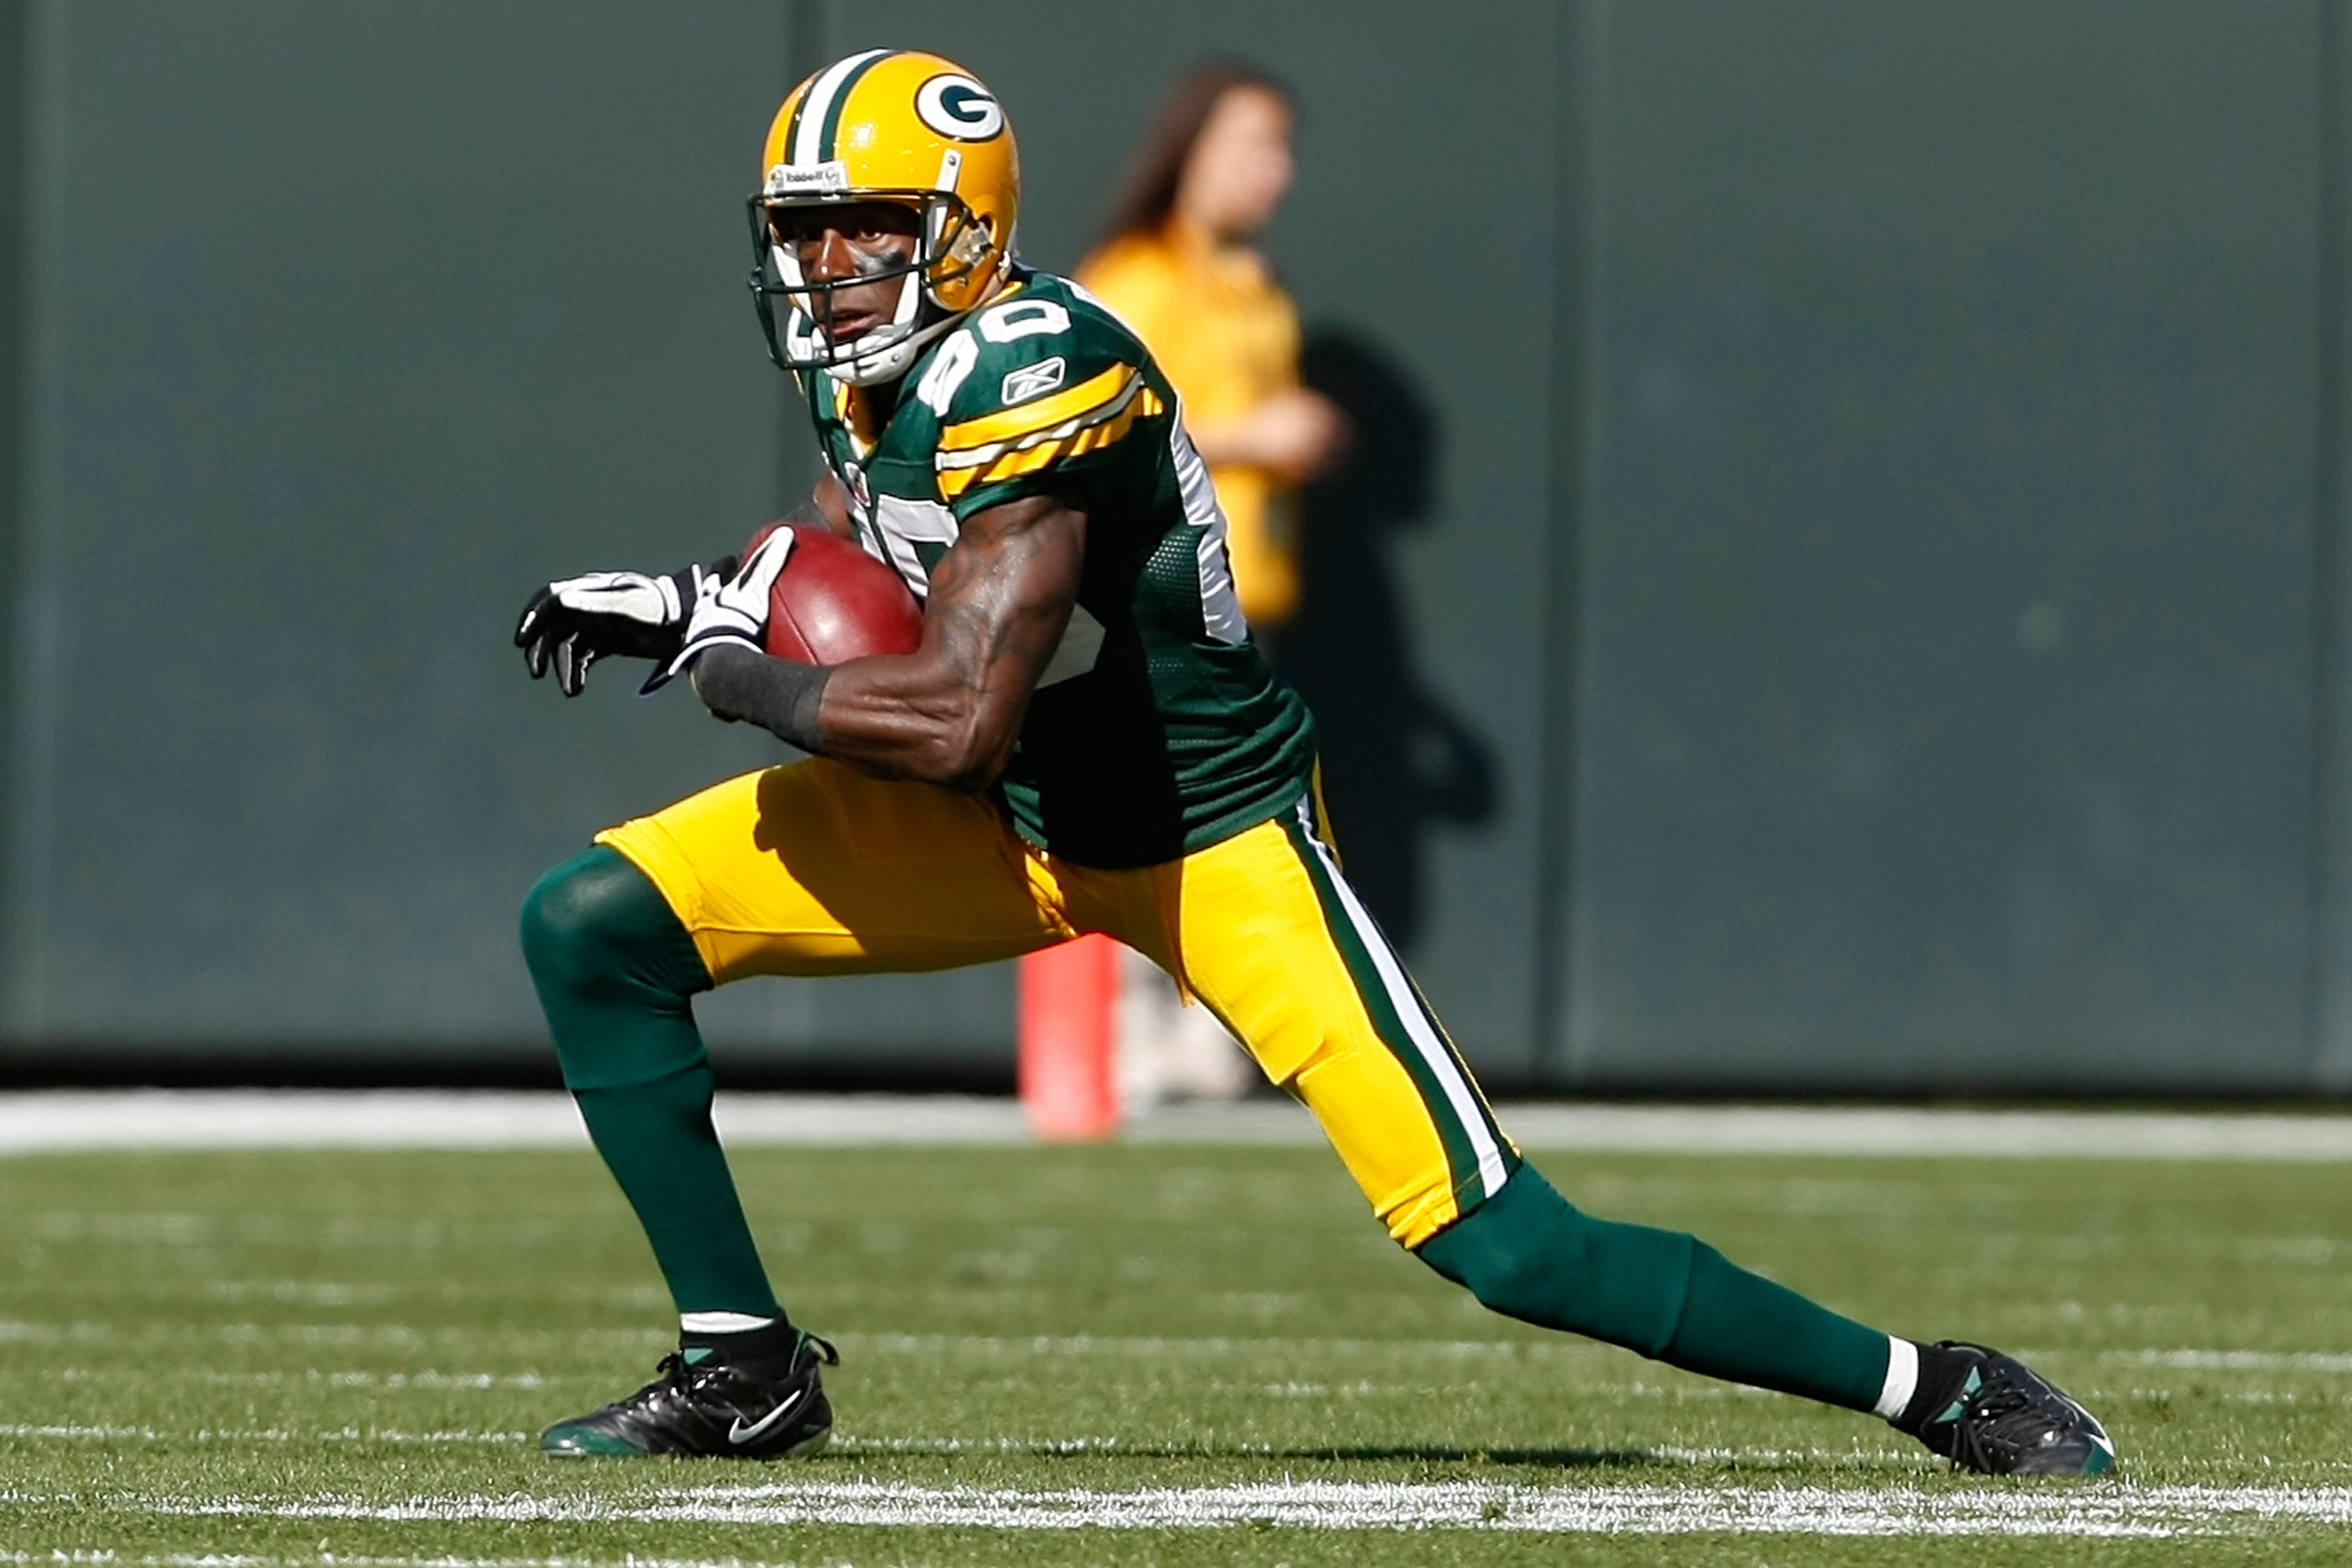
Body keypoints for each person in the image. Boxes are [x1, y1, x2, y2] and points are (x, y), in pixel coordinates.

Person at [509, 48, 2115, 1477]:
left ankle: (1938, 1386)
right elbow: (867, 551)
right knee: (593, 926)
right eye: (802, 232)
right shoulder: (865, 361)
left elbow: (954, 714)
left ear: (964, 228)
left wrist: (737, 673)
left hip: (1207, 835)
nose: (825, 266)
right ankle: (743, 1369)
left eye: (864, 227)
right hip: (1015, 817)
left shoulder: (1033, 368)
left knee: (1511, 1247)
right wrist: (702, 597)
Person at [1079, 65, 1348, 1107]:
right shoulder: (1137, 280)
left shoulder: (1250, 283)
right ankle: (1123, 1039)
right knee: (1142, 818)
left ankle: (1207, 1033)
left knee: (1230, 824)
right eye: (1254, 144)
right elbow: (1089, 433)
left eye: (1284, 149)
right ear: (1191, 148)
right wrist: (1255, 437)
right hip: (1153, 597)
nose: (1275, 172)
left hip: (1239, 602)